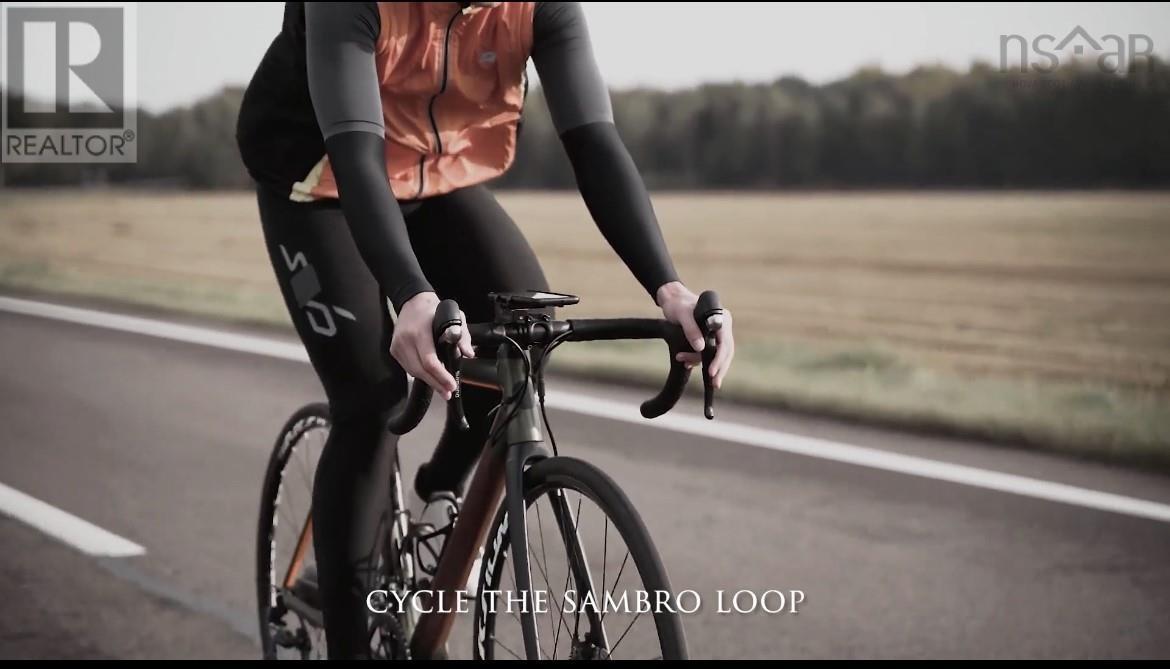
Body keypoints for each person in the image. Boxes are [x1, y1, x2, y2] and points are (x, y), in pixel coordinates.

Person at [236, 1, 734, 658]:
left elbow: (593, 140)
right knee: (372, 400)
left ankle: (440, 492)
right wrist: (412, 293)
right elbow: (355, 150)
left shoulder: (539, 8)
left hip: (435, 176)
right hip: (319, 179)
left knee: (525, 334)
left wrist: (669, 289)